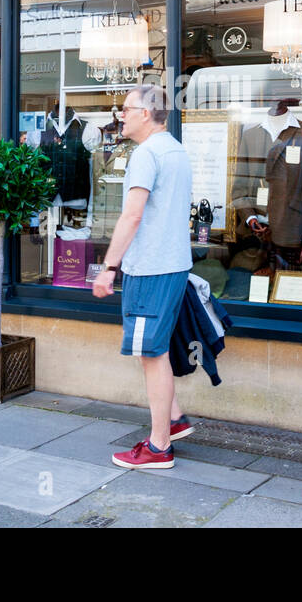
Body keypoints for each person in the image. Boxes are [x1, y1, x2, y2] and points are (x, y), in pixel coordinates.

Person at [91, 84, 195, 469]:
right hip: (171, 264)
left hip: (149, 267)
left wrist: (109, 268)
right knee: (156, 349)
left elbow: (132, 215)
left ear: (147, 114)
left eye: (127, 108)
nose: (121, 114)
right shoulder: (175, 149)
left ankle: (159, 447)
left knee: (150, 353)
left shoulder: (147, 154)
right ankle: (174, 419)